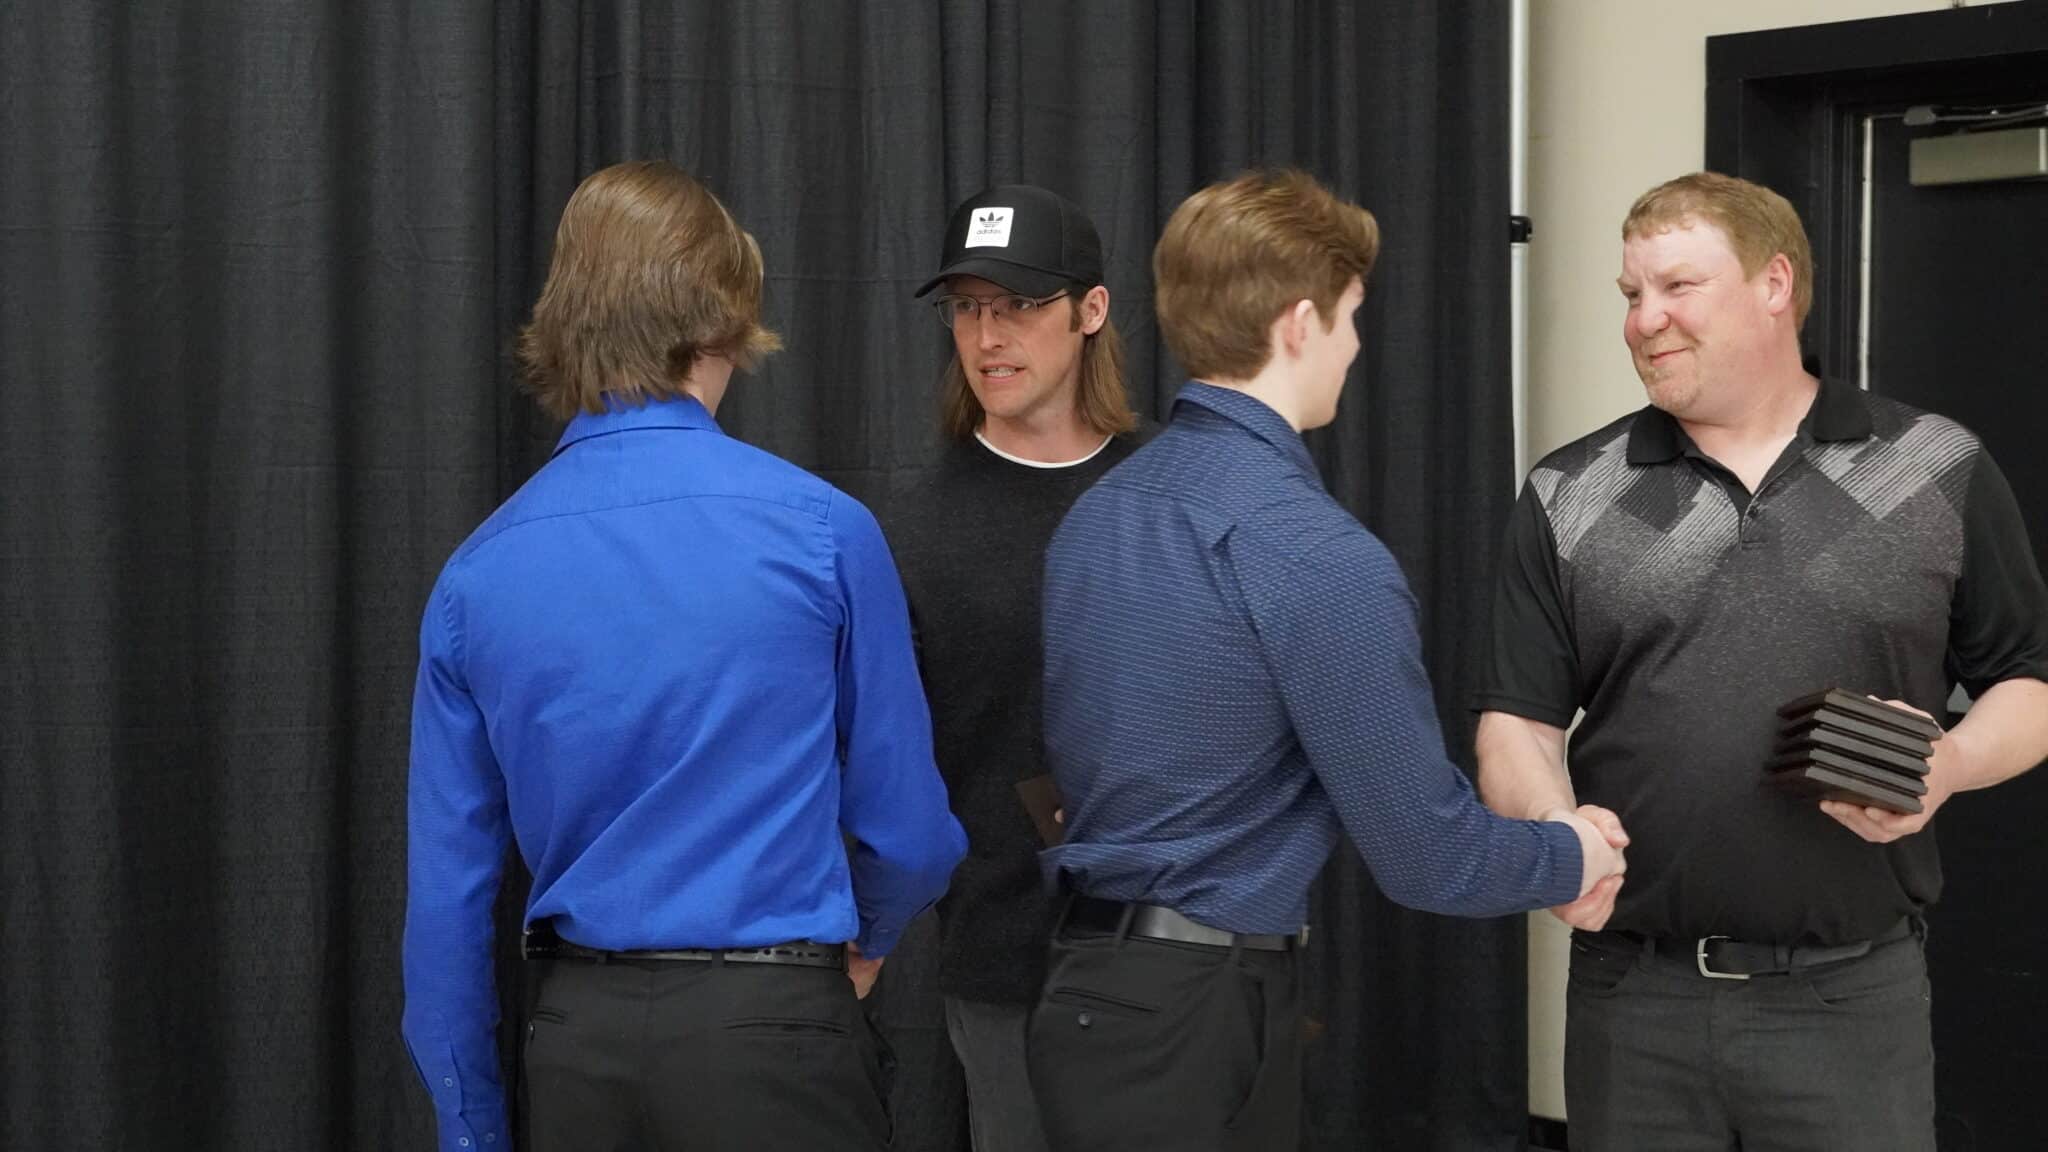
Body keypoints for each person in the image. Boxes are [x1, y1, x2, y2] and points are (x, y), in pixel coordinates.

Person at [1028, 168, 1628, 1152]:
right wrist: (1575, 854)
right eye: (1350, 317)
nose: (1354, 345)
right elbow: (1426, 856)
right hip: (1195, 1016)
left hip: (1085, 994)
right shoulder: (1310, 554)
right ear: (1301, 324)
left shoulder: (1096, 517)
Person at [1473, 170, 2048, 1152]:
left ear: (1773, 284)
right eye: (1630, 294)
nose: (1643, 320)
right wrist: (1550, 829)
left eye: (1676, 287)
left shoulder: (1933, 466)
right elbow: (1514, 722)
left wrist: (1948, 763)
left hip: (1847, 1001)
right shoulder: (1568, 492)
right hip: (1634, 999)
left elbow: (2028, 683)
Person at [400, 160, 966, 1152]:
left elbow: (447, 910)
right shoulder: (824, 533)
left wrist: (471, 1127)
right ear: (725, 319)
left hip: (576, 1050)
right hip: (774, 1038)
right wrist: (867, 942)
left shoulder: (475, 578)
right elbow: (910, 834)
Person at [879, 184, 1145, 1152]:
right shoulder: (913, 532)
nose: (988, 336)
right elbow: (886, 768)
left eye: (1021, 305)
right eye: (967, 308)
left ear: (1090, 310)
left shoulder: (1174, 490)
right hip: (1005, 973)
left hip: (1182, 956)